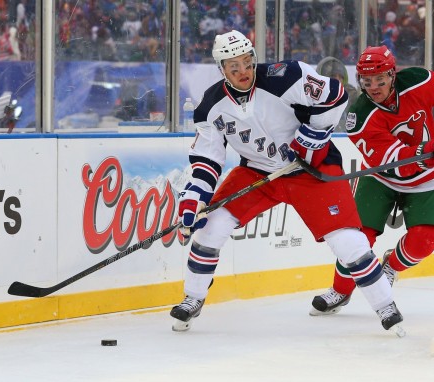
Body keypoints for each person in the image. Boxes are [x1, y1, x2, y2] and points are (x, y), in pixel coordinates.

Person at [170, 31, 403, 333]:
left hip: (310, 170)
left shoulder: (286, 76)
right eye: (234, 67)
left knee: (348, 242)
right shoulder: (210, 107)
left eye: (247, 62)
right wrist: (194, 199)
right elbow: (207, 159)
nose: (243, 72)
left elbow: (336, 95)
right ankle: (193, 298)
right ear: (222, 69)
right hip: (258, 173)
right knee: (211, 224)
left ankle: (386, 306)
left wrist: (312, 136)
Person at [310, 45, 434, 315]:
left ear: (393, 75)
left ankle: (391, 265)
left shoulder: (417, 81)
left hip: (427, 179)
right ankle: (340, 291)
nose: (375, 87)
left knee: (424, 240)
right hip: (380, 177)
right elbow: (391, 160)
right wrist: (424, 154)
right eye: (368, 82)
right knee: (358, 241)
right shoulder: (359, 116)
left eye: (381, 80)